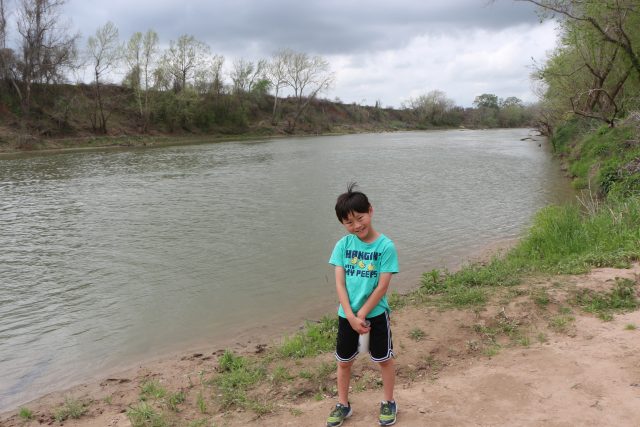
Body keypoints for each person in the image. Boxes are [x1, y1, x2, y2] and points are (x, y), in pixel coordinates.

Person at [326, 183, 399, 427]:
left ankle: (389, 401)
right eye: (349, 222)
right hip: (347, 316)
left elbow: (382, 287)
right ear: (343, 224)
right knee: (344, 362)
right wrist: (350, 315)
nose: (357, 225)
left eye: (360, 217)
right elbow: (339, 284)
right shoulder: (343, 246)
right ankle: (343, 404)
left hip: (376, 315)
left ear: (370, 210)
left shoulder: (385, 246)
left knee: (383, 360)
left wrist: (363, 314)